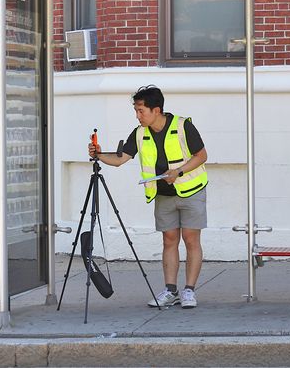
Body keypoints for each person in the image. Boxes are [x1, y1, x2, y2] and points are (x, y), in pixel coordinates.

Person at [88, 85, 208, 309]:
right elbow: (121, 158)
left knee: (191, 240)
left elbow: (201, 156)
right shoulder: (140, 133)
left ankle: (189, 291)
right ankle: (170, 291)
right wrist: (99, 154)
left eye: (141, 110)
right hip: (163, 195)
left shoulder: (183, 126)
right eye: (136, 110)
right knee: (169, 241)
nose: (137, 115)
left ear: (156, 110)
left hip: (191, 191)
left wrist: (178, 172)